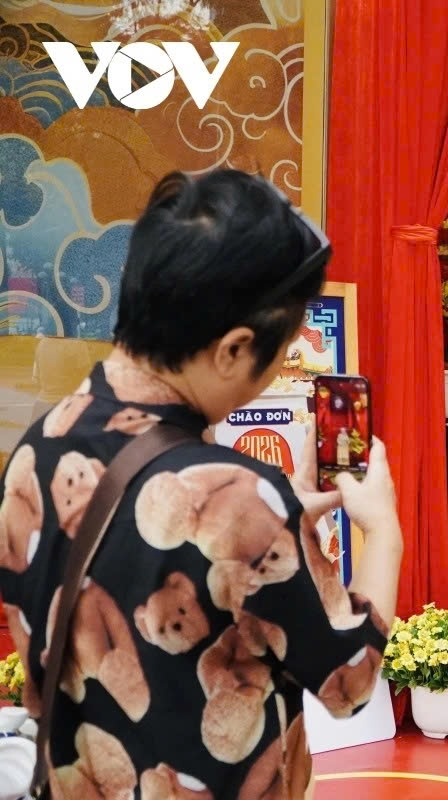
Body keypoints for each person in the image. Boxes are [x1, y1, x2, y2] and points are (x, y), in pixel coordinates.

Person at [0, 170, 404, 798]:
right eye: (282, 346)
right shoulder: (242, 495)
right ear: (234, 349)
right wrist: (383, 534)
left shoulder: (37, 448)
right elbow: (349, 685)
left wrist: (280, 522)